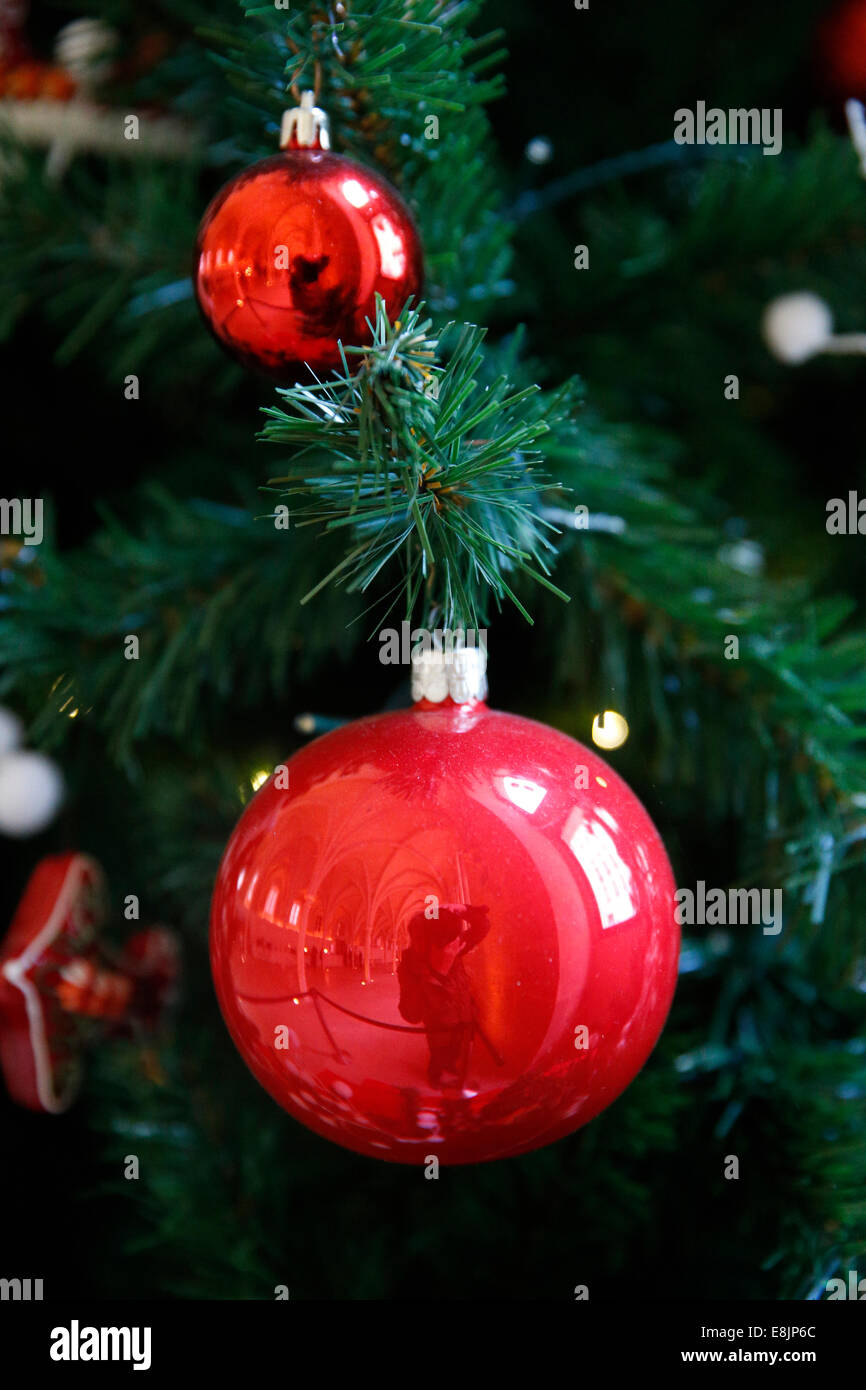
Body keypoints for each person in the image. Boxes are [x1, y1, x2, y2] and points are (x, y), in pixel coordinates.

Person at [398, 903, 491, 1089]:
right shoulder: (409, 967)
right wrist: (437, 974)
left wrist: (463, 909)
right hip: (439, 1029)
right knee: (439, 1056)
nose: (452, 945)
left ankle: (451, 1068)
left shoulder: (451, 946)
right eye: (443, 941)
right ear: (422, 942)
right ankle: (436, 1076)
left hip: (464, 1017)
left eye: (451, 939)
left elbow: (482, 926)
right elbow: (411, 1015)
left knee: (458, 1052)